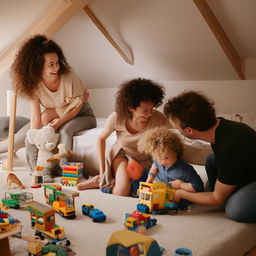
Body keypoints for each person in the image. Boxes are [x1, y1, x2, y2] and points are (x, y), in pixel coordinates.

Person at [11, 34, 96, 181]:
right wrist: (34, 136)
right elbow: (36, 118)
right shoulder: (34, 84)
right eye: (51, 64)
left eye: (57, 62)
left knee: (64, 131)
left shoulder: (69, 76)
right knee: (31, 137)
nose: (57, 67)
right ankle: (36, 171)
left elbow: (79, 105)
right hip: (59, 113)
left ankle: (65, 170)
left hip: (82, 114)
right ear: (38, 67)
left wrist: (60, 121)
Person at [164, 90, 256, 223]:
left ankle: (229, 195)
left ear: (190, 130)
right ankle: (227, 192)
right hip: (245, 168)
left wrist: (180, 193)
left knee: (234, 210)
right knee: (211, 160)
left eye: (176, 127)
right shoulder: (221, 127)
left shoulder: (229, 146)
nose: (176, 129)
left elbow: (217, 199)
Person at [76, 78, 170, 195]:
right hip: (124, 156)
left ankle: (103, 181)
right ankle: (100, 179)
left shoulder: (159, 119)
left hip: (148, 159)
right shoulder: (117, 117)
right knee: (121, 192)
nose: (150, 114)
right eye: (145, 110)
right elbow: (101, 139)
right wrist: (103, 171)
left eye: (152, 108)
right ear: (131, 108)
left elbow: (169, 142)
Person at [138, 127, 204, 209]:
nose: (162, 162)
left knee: (177, 197)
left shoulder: (185, 170)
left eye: (166, 158)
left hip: (178, 196)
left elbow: (198, 187)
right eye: (158, 158)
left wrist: (181, 185)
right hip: (163, 192)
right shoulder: (158, 161)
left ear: (175, 151)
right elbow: (154, 166)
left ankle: (176, 206)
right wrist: (150, 178)